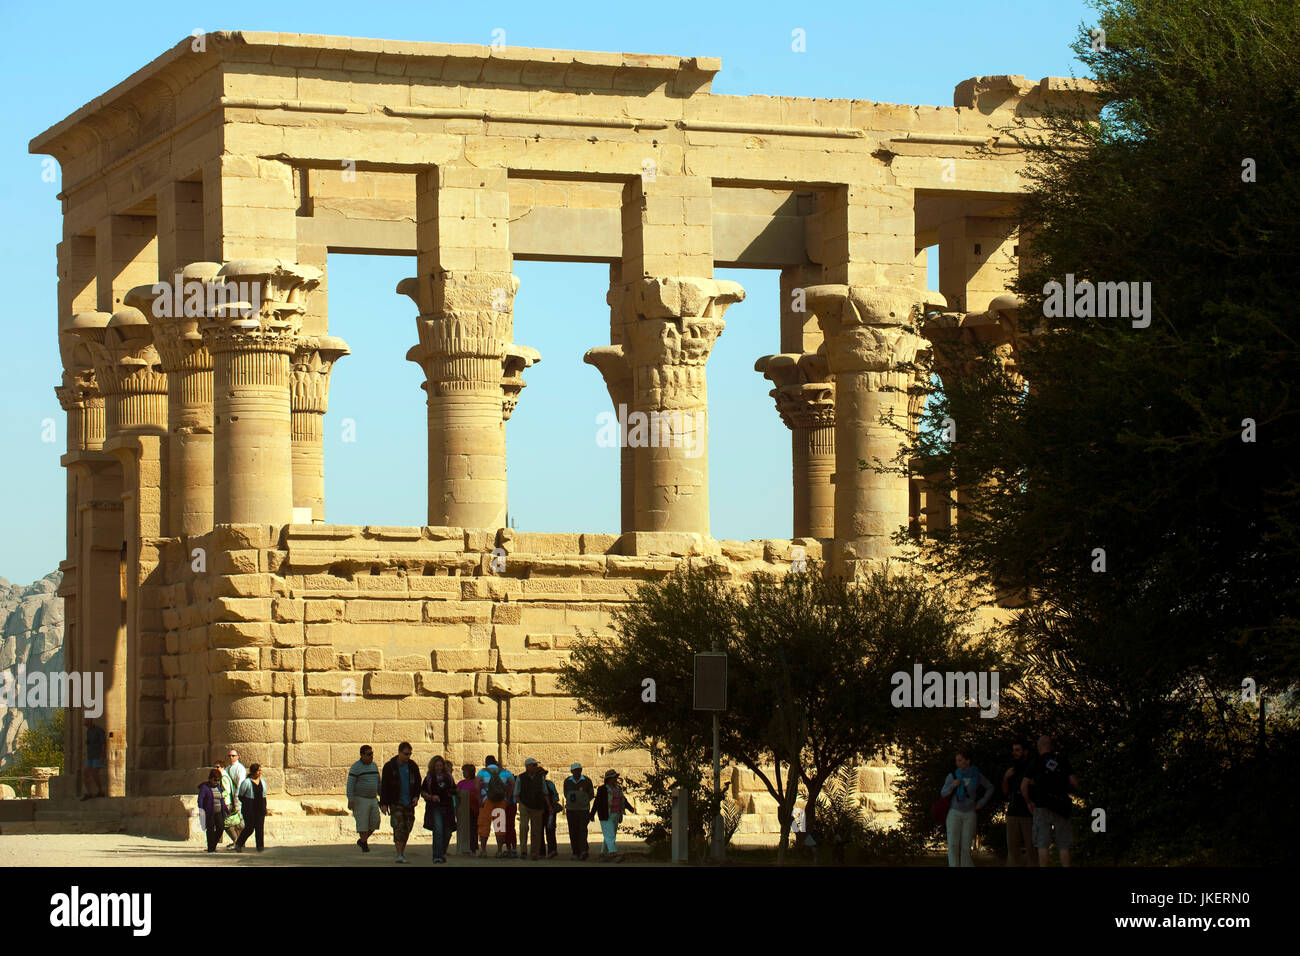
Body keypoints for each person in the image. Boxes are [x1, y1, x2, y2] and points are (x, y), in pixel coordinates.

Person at [1021, 734, 1080, 867]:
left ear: (1039, 747)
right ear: (1051, 747)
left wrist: (1029, 801)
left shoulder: (1035, 762)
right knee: (1064, 844)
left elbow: (1023, 785)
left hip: (1041, 805)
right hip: (1061, 805)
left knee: (1043, 844)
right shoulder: (1062, 760)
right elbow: (1075, 783)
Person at [940, 748, 994, 867]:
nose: (957, 763)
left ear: (967, 761)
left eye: (960, 760)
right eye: (956, 760)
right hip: (954, 812)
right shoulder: (953, 775)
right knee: (953, 844)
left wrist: (981, 802)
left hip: (969, 813)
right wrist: (952, 786)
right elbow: (943, 793)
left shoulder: (976, 775)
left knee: (966, 846)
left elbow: (990, 788)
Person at [380, 742, 422, 864]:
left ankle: (402, 852)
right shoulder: (390, 767)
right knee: (399, 826)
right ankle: (399, 854)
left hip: (409, 802)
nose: (408, 756)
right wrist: (384, 803)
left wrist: (416, 796)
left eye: (409, 754)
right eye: (405, 754)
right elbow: (385, 786)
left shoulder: (413, 766)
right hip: (395, 801)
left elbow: (418, 782)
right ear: (399, 752)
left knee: (407, 827)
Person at [1002, 740, 1036, 867]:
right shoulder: (1013, 768)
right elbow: (1005, 791)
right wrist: (1005, 778)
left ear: (1025, 752)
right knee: (1012, 847)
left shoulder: (1032, 767)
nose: (1014, 753)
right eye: (1013, 750)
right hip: (1013, 810)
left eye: (1018, 750)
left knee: (1031, 846)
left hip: (1028, 812)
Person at [475, 755, 515, 858]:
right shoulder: (504, 772)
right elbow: (512, 783)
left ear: (486, 762)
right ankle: (499, 850)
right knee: (499, 825)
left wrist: (479, 799)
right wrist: (508, 798)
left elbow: (476, 785)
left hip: (486, 800)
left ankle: (483, 851)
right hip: (501, 800)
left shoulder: (482, 772)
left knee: (484, 825)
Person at [592, 769, 636, 862]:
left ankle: (602, 854)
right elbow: (597, 802)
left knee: (609, 834)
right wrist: (592, 814)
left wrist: (630, 808)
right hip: (605, 814)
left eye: (616, 777)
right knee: (610, 835)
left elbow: (623, 799)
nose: (615, 779)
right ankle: (613, 852)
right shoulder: (602, 789)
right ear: (608, 779)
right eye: (614, 777)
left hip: (616, 814)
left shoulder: (618, 788)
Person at [421, 755, 457, 863]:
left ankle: (442, 852)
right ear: (433, 766)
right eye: (436, 765)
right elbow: (423, 792)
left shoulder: (448, 777)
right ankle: (437, 856)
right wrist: (431, 797)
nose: (439, 768)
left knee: (448, 831)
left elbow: (454, 788)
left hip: (448, 806)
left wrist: (452, 793)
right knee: (438, 831)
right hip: (435, 807)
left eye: (440, 765)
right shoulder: (429, 778)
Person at [347, 744, 381, 853]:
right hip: (360, 799)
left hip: (373, 798)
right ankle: (365, 845)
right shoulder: (356, 767)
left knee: (375, 822)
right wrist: (351, 799)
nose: (371, 756)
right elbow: (350, 784)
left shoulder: (374, 766)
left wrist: (382, 797)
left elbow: (378, 782)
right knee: (363, 823)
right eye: (368, 754)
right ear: (362, 755)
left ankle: (362, 840)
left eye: (372, 754)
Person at [515, 757, 548, 861]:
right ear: (527, 766)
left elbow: (545, 791)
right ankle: (523, 851)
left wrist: (549, 806)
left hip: (537, 805)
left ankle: (535, 852)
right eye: (533, 765)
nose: (535, 767)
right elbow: (516, 792)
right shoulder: (521, 777)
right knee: (524, 827)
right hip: (525, 804)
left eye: (535, 765)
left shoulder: (540, 778)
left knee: (536, 830)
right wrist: (520, 804)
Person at [563, 762, 595, 860]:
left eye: (579, 770)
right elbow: (565, 793)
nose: (577, 772)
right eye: (575, 770)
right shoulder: (568, 781)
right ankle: (575, 852)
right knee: (573, 831)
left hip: (583, 810)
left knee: (582, 830)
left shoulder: (586, 781)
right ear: (572, 771)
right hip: (571, 810)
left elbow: (591, 794)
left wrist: (583, 801)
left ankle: (583, 850)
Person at [235, 763, 268, 852]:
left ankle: (260, 847)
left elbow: (264, 796)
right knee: (249, 828)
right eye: (258, 770)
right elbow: (241, 795)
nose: (260, 772)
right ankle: (239, 844)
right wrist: (247, 804)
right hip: (249, 809)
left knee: (260, 828)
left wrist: (264, 808)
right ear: (254, 771)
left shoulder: (263, 782)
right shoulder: (247, 782)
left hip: (260, 808)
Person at [198, 768, 228, 853]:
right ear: (210, 778)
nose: (216, 782)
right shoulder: (205, 788)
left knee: (221, 827)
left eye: (218, 780)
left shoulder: (218, 787)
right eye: (215, 780)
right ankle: (211, 848)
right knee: (210, 829)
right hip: (209, 812)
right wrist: (201, 811)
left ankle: (213, 844)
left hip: (218, 812)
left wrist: (226, 810)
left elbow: (221, 799)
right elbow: (200, 800)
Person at [218, 760, 244, 849]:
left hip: (226, 802)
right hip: (226, 802)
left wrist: (219, 795)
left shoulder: (224, 777)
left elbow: (227, 790)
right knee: (229, 823)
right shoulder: (223, 775)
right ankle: (236, 841)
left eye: (218, 767)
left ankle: (236, 841)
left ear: (222, 767)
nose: (216, 768)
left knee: (227, 824)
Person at [455, 763, 479, 855]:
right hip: (464, 809)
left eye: (465, 771)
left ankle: (473, 846)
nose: (463, 773)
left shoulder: (476, 782)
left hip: (474, 808)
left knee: (473, 828)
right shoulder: (461, 783)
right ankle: (464, 846)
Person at [81, 717, 106, 801]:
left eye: (86, 720)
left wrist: (102, 755)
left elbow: (103, 743)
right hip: (90, 756)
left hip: (97, 755)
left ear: (90, 721)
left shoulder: (99, 730)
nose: (84, 722)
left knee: (94, 773)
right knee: (85, 773)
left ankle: (100, 791)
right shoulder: (88, 731)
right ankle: (89, 793)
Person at [540, 765, 560, 859]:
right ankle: (542, 851)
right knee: (540, 831)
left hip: (549, 811)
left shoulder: (549, 784)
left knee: (550, 830)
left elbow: (555, 796)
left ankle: (552, 850)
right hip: (540, 811)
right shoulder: (541, 785)